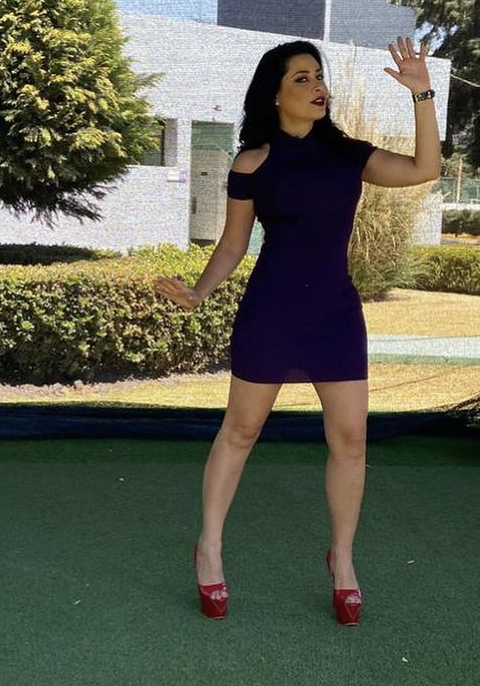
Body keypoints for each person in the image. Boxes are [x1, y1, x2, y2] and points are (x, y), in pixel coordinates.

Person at [153, 36, 440, 624]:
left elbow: (425, 168)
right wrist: (199, 292)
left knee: (351, 440)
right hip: (273, 310)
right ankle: (209, 548)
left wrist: (422, 94)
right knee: (241, 430)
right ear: (275, 94)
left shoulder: (349, 154)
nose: (317, 87)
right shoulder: (251, 163)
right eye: (302, 78)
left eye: (319, 76)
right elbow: (233, 243)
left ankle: (343, 559)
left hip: (336, 314)